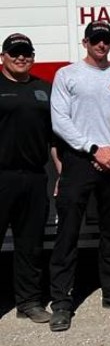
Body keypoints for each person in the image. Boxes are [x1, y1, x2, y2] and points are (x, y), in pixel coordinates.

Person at [48, 21, 110, 332]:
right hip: (80, 160)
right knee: (68, 233)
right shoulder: (67, 75)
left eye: (106, 40)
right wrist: (92, 148)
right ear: (85, 42)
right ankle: (61, 302)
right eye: (96, 39)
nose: (101, 45)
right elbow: (59, 120)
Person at [0, 34, 56, 323]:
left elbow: (54, 138)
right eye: (14, 53)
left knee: (30, 245)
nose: (20, 58)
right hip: (2, 176)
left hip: (34, 177)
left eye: (26, 53)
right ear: (3, 57)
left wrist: (62, 172)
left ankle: (29, 303)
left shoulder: (44, 90)